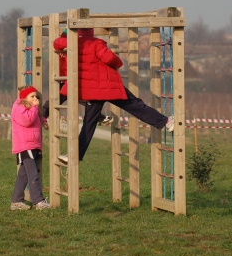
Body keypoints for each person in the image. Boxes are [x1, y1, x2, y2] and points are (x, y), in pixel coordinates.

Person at [55, 28, 174, 164]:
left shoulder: (72, 44)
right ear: (91, 32)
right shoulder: (96, 43)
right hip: (108, 86)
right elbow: (109, 57)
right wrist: (119, 63)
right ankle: (165, 121)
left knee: (89, 122)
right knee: (134, 105)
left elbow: (57, 43)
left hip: (93, 91)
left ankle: (74, 155)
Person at [42, 28, 113, 126]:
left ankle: (98, 116)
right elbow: (59, 42)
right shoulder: (68, 43)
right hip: (64, 80)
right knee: (55, 99)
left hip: (73, 79)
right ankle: (41, 115)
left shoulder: (78, 45)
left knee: (84, 99)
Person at [10, 85, 50, 210]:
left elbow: (34, 117)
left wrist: (43, 119)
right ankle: (39, 201)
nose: (35, 99)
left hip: (31, 144)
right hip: (25, 145)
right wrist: (34, 106)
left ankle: (16, 201)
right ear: (24, 98)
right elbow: (27, 120)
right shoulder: (19, 108)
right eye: (32, 96)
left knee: (24, 175)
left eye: (36, 96)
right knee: (33, 174)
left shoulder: (29, 107)